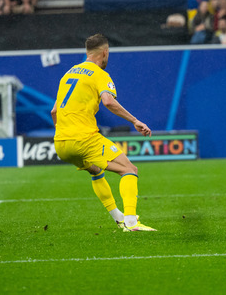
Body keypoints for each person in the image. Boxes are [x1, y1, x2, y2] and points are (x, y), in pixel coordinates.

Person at [51, 34, 156, 232]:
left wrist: (63, 133)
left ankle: (119, 218)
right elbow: (108, 101)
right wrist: (135, 120)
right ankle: (132, 223)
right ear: (105, 52)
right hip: (84, 138)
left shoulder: (68, 74)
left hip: (61, 143)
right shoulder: (99, 74)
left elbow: (54, 111)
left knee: (95, 171)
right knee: (129, 170)